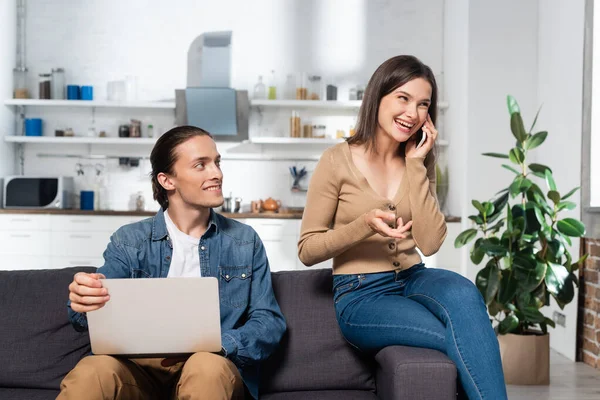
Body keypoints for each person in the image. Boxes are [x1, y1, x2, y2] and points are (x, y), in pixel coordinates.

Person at [298, 55, 507, 400]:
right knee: (461, 335)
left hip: (415, 276)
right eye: (403, 98)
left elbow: (431, 242)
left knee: (464, 294)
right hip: (361, 293)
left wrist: (415, 165)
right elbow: (307, 250)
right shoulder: (336, 159)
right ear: (378, 97)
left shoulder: (418, 160)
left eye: (423, 104)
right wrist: (363, 225)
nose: (413, 112)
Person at [59, 125, 286, 400]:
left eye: (216, 162)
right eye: (200, 165)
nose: (216, 173)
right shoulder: (128, 241)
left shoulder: (244, 241)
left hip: (210, 365)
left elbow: (268, 321)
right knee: (93, 371)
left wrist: (221, 345)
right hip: (137, 372)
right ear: (168, 181)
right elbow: (82, 317)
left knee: (206, 368)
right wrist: (84, 299)